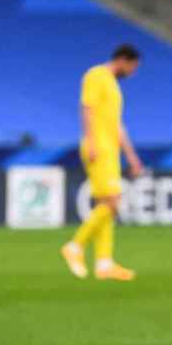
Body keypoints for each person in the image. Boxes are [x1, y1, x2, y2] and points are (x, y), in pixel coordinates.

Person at [61, 45, 144, 282]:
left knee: (106, 205)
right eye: (132, 67)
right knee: (113, 202)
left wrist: (131, 156)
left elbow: (117, 125)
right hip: (99, 147)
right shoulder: (96, 75)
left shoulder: (113, 86)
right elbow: (87, 108)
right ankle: (75, 246)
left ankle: (104, 263)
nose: (132, 72)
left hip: (110, 149)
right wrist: (92, 141)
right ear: (122, 60)